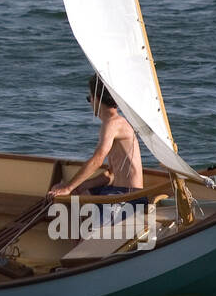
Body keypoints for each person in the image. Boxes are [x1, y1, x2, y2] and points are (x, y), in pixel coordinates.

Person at [48, 74, 147, 224]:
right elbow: (111, 174)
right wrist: (80, 186)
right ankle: (79, 239)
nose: (90, 103)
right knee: (63, 191)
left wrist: (69, 187)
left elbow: (98, 159)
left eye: (89, 98)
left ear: (97, 99)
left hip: (128, 196)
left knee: (68, 191)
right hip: (114, 189)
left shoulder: (113, 124)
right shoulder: (112, 124)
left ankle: (85, 243)